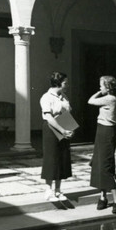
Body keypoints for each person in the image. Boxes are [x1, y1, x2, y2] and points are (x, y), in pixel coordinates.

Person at [88, 76, 116, 215]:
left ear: (108, 87)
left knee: (105, 166)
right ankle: (103, 197)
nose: (99, 88)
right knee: (99, 164)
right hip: (101, 131)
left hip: (106, 132)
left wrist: (100, 93)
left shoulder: (110, 98)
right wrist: (101, 91)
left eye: (101, 86)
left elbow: (90, 101)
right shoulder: (110, 98)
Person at [40, 72, 75, 202]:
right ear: (58, 83)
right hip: (52, 129)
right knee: (51, 158)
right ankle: (48, 190)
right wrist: (62, 130)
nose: (67, 85)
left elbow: (67, 113)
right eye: (65, 83)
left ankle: (58, 190)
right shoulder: (46, 97)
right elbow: (48, 117)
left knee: (62, 158)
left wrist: (70, 128)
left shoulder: (63, 97)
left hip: (64, 127)